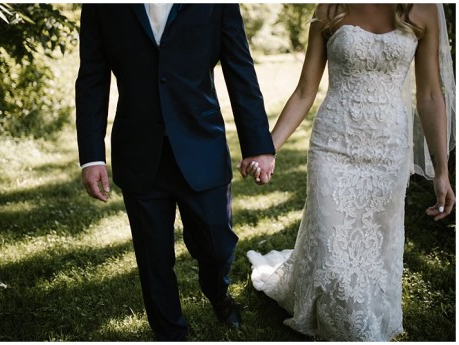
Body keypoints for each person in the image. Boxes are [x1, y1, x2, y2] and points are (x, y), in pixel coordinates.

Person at [245, 3, 455, 341]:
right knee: (332, 250)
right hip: (333, 147)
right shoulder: (330, 8)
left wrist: (442, 171)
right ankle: (352, 327)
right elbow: (304, 91)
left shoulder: (425, 9)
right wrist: (269, 150)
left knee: (373, 251)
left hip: (388, 153)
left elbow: (430, 95)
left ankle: (358, 315)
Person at [76, 4, 276, 341]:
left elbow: (239, 67)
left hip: (202, 143)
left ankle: (218, 292)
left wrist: (257, 144)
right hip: (138, 149)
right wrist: (91, 156)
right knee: (153, 257)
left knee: (216, 245)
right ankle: (170, 333)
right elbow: (92, 76)